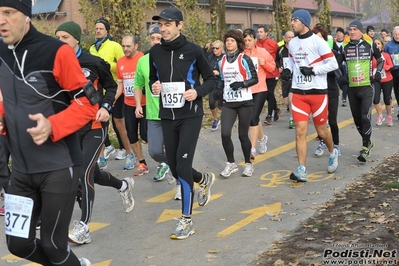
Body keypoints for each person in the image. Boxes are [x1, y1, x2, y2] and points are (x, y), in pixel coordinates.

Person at [0, 1, 95, 265]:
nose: (1, 21)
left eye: (8, 13)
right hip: (20, 169)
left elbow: (89, 103)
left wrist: (53, 125)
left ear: (26, 16)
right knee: (18, 245)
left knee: (53, 245)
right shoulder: (1, 51)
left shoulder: (56, 51)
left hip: (58, 166)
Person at [55, 21, 135, 245]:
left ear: (77, 40)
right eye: (57, 38)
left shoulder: (93, 62)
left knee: (84, 174)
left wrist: (105, 106)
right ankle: (123, 185)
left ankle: (84, 227)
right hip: (70, 129)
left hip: (94, 126)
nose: (60, 42)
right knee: (93, 173)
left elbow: (111, 87)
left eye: (65, 38)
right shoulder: (55, 64)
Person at [150, 7, 217, 240]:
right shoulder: (155, 52)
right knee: (174, 165)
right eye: (160, 24)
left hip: (190, 115)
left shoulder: (194, 51)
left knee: (183, 166)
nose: (163, 28)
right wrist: (154, 87)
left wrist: (196, 92)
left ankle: (186, 220)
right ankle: (203, 179)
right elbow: (152, 79)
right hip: (167, 115)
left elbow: (211, 80)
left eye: (168, 24)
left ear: (179, 25)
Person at [284, 9, 339, 182]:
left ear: (304, 22)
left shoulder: (318, 42)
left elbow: (333, 64)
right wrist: (287, 71)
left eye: (295, 20)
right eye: (292, 20)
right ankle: (301, 169)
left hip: (318, 93)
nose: (292, 23)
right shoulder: (292, 43)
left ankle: (332, 152)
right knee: (300, 132)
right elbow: (293, 63)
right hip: (299, 93)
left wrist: (313, 70)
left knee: (322, 132)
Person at [134, 25, 179, 198]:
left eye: (158, 39)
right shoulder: (143, 60)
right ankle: (171, 163)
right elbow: (138, 84)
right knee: (154, 151)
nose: (155, 42)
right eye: (153, 38)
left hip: (173, 112)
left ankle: (180, 184)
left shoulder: (172, 57)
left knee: (175, 149)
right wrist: (138, 105)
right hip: (153, 113)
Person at [338, 20, 384, 162]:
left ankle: (365, 147)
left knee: (365, 117)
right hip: (352, 88)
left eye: (354, 29)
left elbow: (380, 59)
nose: (351, 32)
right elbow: (336, 64)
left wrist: (378, 72)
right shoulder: (345, 46)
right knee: (358, 120)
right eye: (350, 29)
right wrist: (341, 77)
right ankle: (368, 142)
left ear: (360, 31)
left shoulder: (369, 44)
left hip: (366, 87)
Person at [216, 29, 258, 177]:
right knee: (225, 133)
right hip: (229, 102)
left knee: (242, 135)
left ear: (238, 43)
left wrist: (242, 84)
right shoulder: (221, 61)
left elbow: (255, 78)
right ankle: (231, 163)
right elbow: (222, 80)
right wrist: (218, 93)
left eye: (232, 40)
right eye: (227, 40)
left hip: (244, 101)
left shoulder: (244, 59)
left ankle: (248, 164)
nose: (229, 42)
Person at [90, 18, 129, 167]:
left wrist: (107, 65)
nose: (98, 31)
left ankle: (125, 149)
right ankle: (108, 147)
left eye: (101, 28)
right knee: (99, 120)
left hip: (115, 88)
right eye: (96, 28)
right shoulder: (93, 48)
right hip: (99, 90)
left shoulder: (114, 46)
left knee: (117, 122)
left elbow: (123, 64)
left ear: (107, 30)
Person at [116, 35, 148, 176]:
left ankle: (163, 158)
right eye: (123, 46)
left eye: (128, 46)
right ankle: (142, 163)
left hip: (145, 104)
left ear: (136, 46)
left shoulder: (143, 59)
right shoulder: (120, 62)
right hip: (129, 104)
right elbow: (120, 85)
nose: (125, 49)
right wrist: (113, 98)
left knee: (146, 135)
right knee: (132, 135)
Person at [242, 28, 275, 160]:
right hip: (246, 90)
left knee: (252, 118)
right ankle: (262, 138)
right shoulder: (241, 54)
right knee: (254, 118)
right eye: (245, 40)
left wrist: (265, 63)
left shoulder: (262, 52)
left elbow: (273, 68)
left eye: (250, 40)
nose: (247, 43)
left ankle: (252, 148)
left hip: (260, 89)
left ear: (255, 40)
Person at [312, 24, 342, 158]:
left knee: (333, 121)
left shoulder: (332, 54)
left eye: (320, 37)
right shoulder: (311, 55)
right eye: (315, 37)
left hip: (331, 90)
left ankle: (336, 145)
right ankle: (322, 143)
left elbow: (335, 70)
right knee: (320, 122)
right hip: (318, 91)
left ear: (324, 39)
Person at [256, 25, 280, 125]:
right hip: (261, 74)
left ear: (266, 33)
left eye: (261, 32)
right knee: (266, 94)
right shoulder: (255, 44)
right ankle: (276, 109)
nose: (259, 33)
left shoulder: (273, 44)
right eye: (258, 32)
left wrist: (280, 67)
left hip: (272, 73)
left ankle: (269, 115)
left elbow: (279, 57)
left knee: (269, 93)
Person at [276, 30, 295, 129]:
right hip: (285, 78)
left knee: (291, 100)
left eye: (293, 37)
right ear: (285, 38)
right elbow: (276, 60)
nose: (291, 39)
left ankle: (292, 119)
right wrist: (279, 67)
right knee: (287, 102)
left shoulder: (297, 49)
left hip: (295, 78)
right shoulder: (280, 50)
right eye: (289, 37)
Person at [372, 38, 394, 126]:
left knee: (387, 100)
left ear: (382, 45)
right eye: (375, 44)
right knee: (376, 99)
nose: (377, 45)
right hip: (376, 80)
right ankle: (380, 115)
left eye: (378, 43)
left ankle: (389, 116)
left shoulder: (386, 55)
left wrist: (382, 66)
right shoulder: (371, 56)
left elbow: (391, 66)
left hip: (387, 80)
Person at [208, 39, 224, 131]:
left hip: (223, 83)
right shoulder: (210, 57)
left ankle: (225, 119)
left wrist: (219, 73)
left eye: (217, 48)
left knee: (222, 104)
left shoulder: (225, 57)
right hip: (212, 83)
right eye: (213, 48)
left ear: (221, 48)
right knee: (211, 103)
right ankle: (215, 119)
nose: (215, 50)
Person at [383, 26, 399, 120]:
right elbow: (383, 57)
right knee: (396, 92)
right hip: (393, 71)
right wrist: (390, 59)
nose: (397, 36)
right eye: (396, 34)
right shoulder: (388, 45)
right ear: (393, 35)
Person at [335, 27, 348, 106]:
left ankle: (344, 98)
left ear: (343, 35)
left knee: (344, 83)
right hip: (337, 66)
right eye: (337, 33)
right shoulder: (334, 43)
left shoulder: (346, 44)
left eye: (340, 33)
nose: (339, 34)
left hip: (345, 66)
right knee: (338, 82)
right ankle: (343, 92)